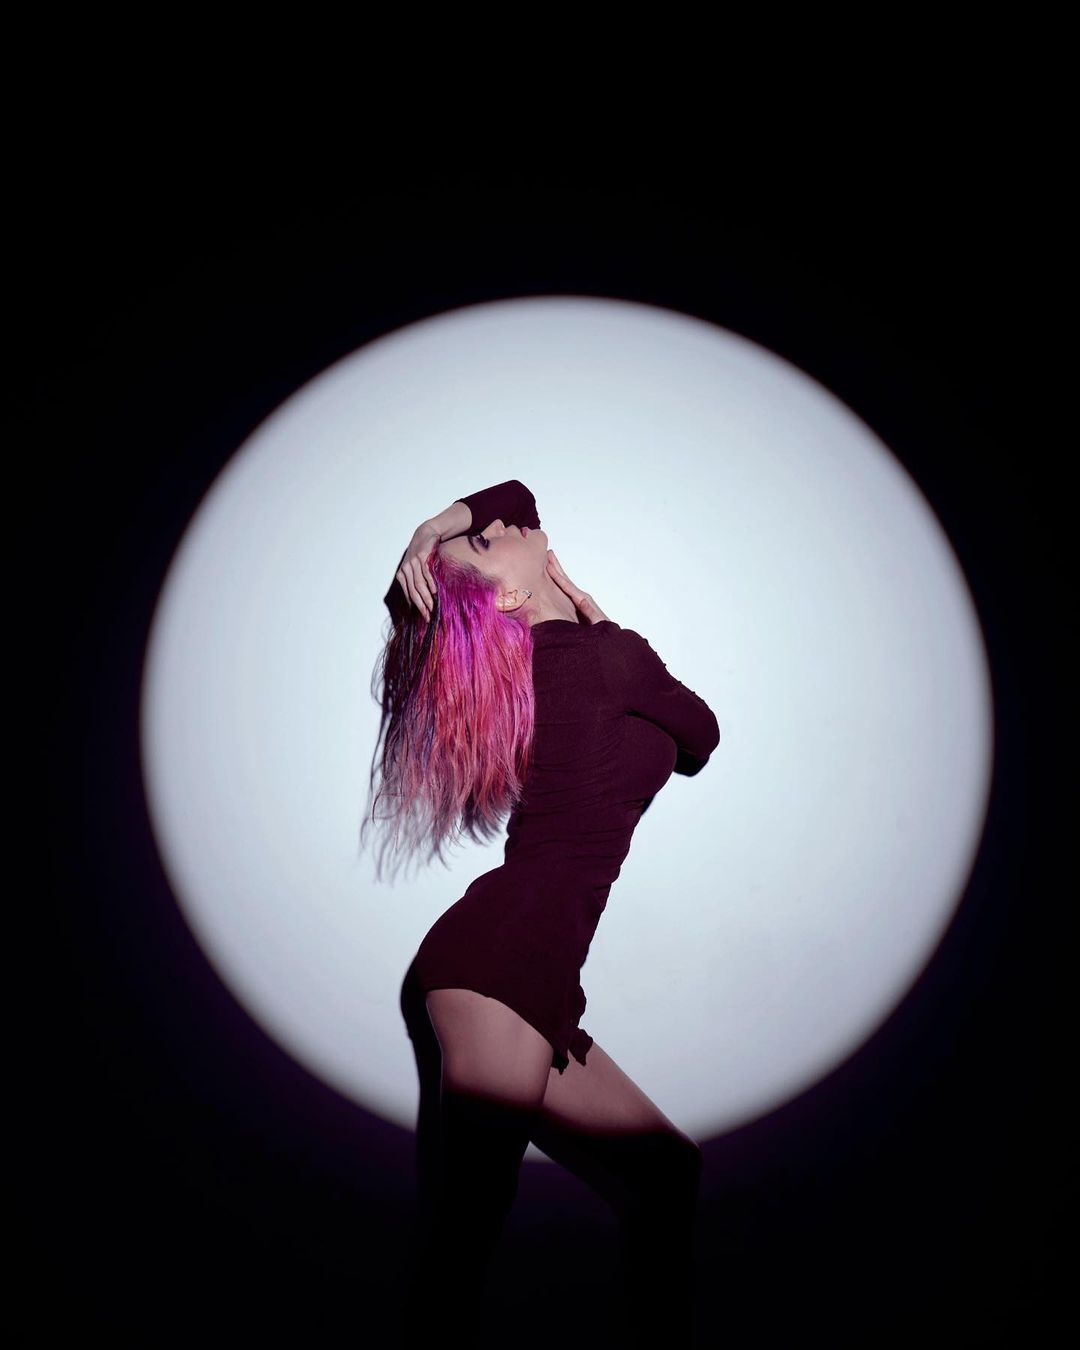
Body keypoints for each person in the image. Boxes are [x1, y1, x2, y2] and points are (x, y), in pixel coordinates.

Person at [364, 479, 721, 1348]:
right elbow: (701, 735)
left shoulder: (549, 669)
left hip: (522, 965)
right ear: (509, 597)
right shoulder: (603, 657)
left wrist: (432, 528)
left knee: (666, 1175)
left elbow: (514, 494)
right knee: (465, 1240)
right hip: (505, 962)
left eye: (486, 530)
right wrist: (605, 623)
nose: (501, 525)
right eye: (486, 542)